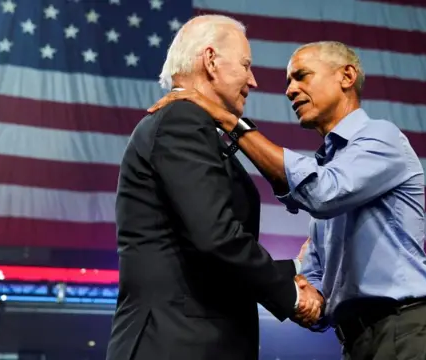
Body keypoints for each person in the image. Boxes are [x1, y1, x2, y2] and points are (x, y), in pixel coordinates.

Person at [148, 40, 426, 360]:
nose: (289, 90)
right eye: (289, 81)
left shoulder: (382, 139)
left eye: (301, 76)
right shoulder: (331, 170)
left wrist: (229, 121)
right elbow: (317, 293)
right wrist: (294, 293)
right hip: (359, 343)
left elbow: (322, 193)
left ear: (346, 76)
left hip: (410, 331)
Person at [105, 15, 323, 360]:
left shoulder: (193, 125)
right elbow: (215, 237)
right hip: (176, 342)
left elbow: (205, 253)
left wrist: (293, 271)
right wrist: (291, 294)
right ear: (210, 61)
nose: (252, 80)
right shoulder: (182, 120)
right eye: (246, 65)